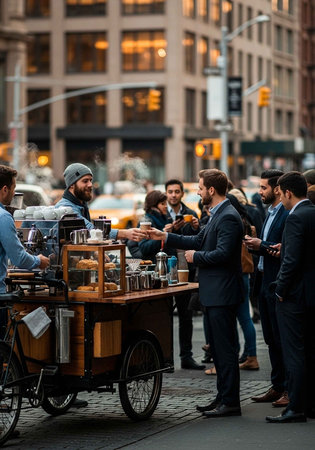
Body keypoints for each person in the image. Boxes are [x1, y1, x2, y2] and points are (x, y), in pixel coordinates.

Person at [149, 169, 244, 418]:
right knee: (218, 351)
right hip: (214, 292)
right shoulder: (216, 214)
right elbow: (198, 240)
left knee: (225, 350)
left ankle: (231, 402)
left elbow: (222, 253)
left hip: (223, 292)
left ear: (211, 190)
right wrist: (165, 236)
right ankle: (223, 397)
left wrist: (195, 258)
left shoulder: (228, 216)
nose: (198, 192)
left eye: (200, 188)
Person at [266, 171, 315, 423]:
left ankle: (295, 407)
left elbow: (292, 261)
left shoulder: (295, 217)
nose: (280, 198)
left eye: (280, 193)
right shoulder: (312, 211)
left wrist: (280, 290)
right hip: (310, 293)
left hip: (294, 296)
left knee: (294, 352)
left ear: (287, 192)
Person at [244, 170, 289, 408]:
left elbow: (286, 250)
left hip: (276, 282)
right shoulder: (269, 212)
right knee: (271, 338)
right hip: (263, 281)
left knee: (282, 339)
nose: (259, 192)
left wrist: (262, 245)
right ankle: (277, 385)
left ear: (277, 189)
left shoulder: (286, 213)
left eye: (263, 188)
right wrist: (255, 245)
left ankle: (289, 389)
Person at [0, 165, 50, 332]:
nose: (14, 194)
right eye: (14, 188)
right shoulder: (4, 217)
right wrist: (39, 261)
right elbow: (19, 258)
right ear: (5, 189)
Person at [165, 179, 204, 370]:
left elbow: (198, 241)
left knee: (185, 315)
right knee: (163, 317)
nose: (173, 195)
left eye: (177, 191)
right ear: (166, 194)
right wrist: (168, 231)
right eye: (170, 191)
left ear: (181, 193)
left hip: (184, 269)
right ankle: (167, 359)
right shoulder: (159, 214)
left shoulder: (189, 213)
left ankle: (186, 356)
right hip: (164, 270)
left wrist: (196, 228)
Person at [56, 163, 147, 242]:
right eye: (85, 181)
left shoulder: (81, 204)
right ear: (71, 185)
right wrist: (125, 233)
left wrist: (95, 253)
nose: (90, 184)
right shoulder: (65, 208)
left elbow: (86, 240)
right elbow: (91, 231)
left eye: (90, 180)